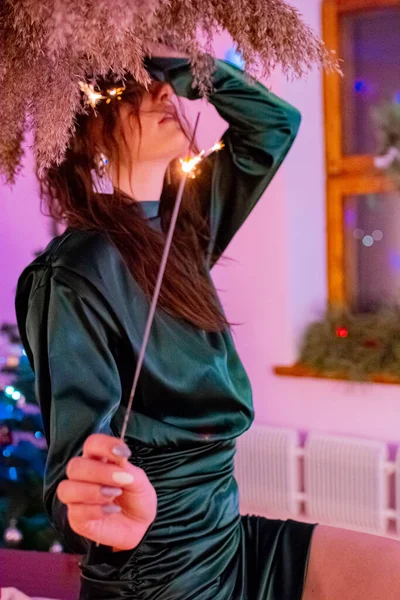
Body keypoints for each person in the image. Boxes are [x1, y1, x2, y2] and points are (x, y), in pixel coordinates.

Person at [14, 44, 400, 600]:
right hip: (159, 572)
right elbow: (74, 476)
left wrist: (183, 63)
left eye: (162, 83)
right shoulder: (73, 272)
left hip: (232, 542)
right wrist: (95, 500)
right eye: (132, 88)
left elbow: (274, 125)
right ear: (87, 131)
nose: (163, 94)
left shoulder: (181, 228)